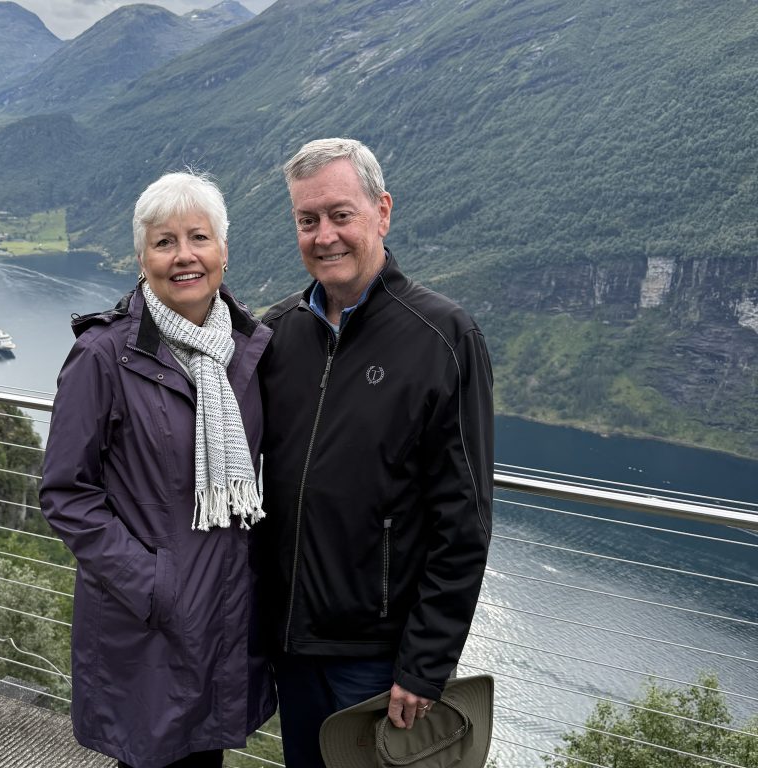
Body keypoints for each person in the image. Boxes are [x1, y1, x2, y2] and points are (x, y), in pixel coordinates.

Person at [258, 138, 494, 767]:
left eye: (341, 214)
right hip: (292, 645)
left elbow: (464, 521)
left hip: (378, 659)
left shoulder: (443, 336)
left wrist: (425, 664)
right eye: (307, 220)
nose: (324, 235)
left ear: (382, 212)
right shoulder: (277, 336)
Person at [40, 171, 276, 768]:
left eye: (199, 237)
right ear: (142, 257)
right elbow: (67, 493)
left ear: (224, 249)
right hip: (149, 627)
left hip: (225, 618)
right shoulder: (103, 356)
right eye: (164, 241)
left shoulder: (248, 350)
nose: (184, 256)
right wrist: (155, 586)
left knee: (206, 760)